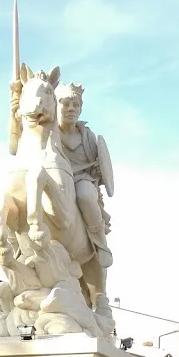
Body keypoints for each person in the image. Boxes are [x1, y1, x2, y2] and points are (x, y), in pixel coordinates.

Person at [55, 82, 113, 269]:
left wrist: (98, 173)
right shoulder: (50, 133)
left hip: (81, 180)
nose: (71, 108)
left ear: (80, 109)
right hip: (56, 180)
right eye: (65, 103)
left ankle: (100, 243)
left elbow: (99, 169)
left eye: (76, 105)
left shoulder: (87, 136)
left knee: (86, 195)